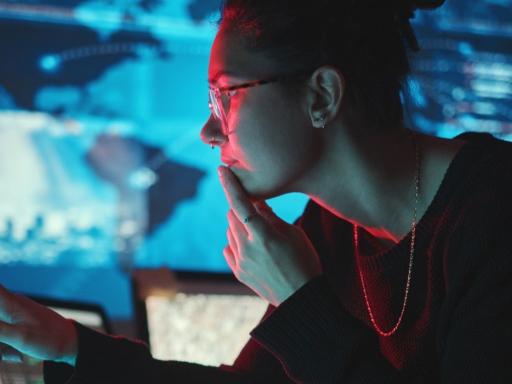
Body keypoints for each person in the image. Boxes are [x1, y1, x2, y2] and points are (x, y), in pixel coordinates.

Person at [1, 0, 511, 382]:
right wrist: (67, 344)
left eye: (224, 96)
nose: (209, 130)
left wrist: (300, 300)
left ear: (321, 96)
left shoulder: (495, 215)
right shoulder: (332, 231)